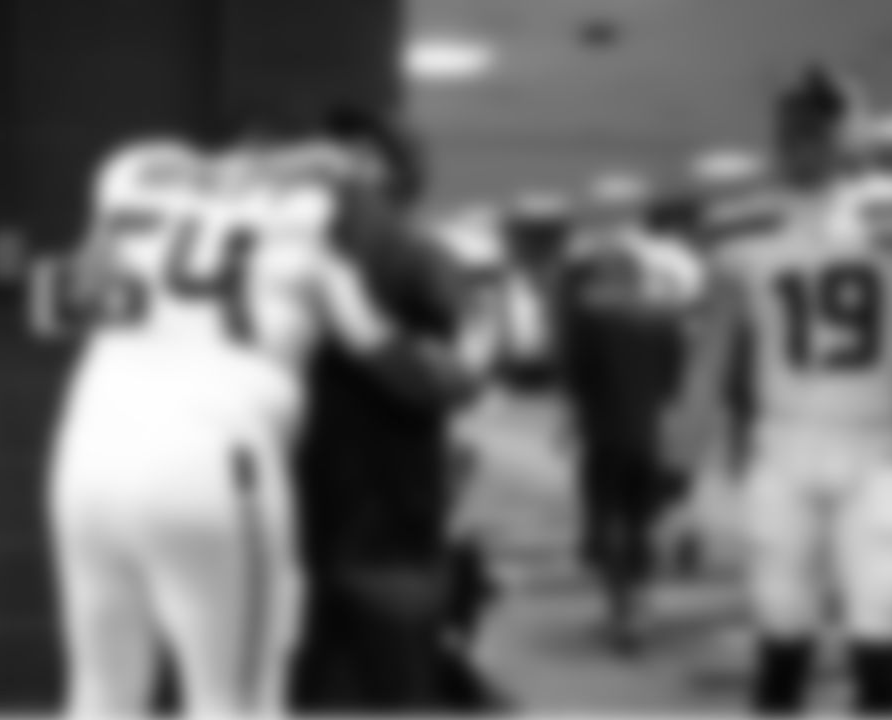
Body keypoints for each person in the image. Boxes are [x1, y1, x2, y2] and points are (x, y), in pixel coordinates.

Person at [45, 135, 465, 716]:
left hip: (87, 459)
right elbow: (420, 380)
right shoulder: (315, 255)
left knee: (102, 693)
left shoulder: (136, 219)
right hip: (214, 462)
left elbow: (56, 308)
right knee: (234, 700)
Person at [670, 64, 892, 715]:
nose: (800, 138)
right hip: (780, 451)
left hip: (880, 451)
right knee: (781, 638)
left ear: (855, 131)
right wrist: (678, 483)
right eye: (790, 124)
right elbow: (707, 361)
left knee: (885, 639)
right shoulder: (740, 224)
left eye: (818, 123)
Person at [291, 112, 509, 711]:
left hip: (388, 528)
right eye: (320, 160)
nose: (331, 175)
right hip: (294, 519)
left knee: (387, 688)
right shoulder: (278, 255)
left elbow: (466, 372)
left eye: (350, 160)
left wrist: (367, 334)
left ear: (386, 169)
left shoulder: (418, 253)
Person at [551, 176, 706, 653]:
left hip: (604, 441)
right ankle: (638, 604)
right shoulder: (663, 324)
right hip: (649, 439)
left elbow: (576, 380)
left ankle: (621, 604)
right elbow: (678, 386)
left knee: (604, 523)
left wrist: (569, 421)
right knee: (638, 523)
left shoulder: (589, 320)